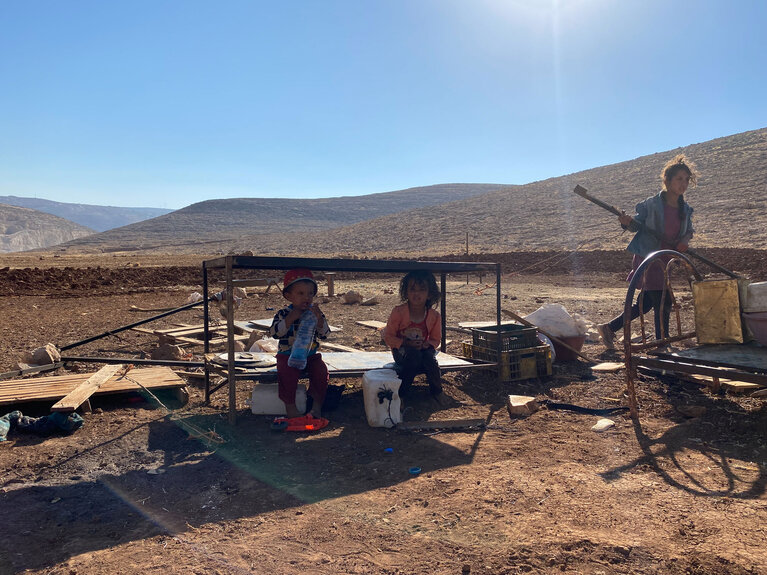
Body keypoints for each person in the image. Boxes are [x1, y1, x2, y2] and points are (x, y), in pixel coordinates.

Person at [597, 154, 698, 349]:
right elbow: (636, 226)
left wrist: (684, 241)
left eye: (686, 179)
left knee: (647, 303)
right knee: (663, 301)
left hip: (666, 260)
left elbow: (689, 231)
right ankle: (662, 343)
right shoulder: (650, 205)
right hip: (648, 259)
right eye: (679, 179)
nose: (683, 183)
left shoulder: (685, 209)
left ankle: (609, 328)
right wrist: (627, 223)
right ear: (667, 180)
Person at [269, 269, 330, 419]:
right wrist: (290, 319)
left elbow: (325, 335)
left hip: (310, 355)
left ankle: (316, 405)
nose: (306, 298)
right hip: (287, 354)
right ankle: (291, 407)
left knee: (321, 372)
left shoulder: (315, 313)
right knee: (287, 374)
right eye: (301, 293)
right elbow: (275, 333)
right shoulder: (283, 314)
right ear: (289, 296)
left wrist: (319, 320)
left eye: (310, 293)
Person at [383, 270, 446, 405]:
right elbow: (388, 336)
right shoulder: (398, 312)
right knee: (413, 357)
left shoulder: (434, 316)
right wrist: (405, 343)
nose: (416, 294)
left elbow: (435, 339)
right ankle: (402, 394)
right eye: (412, 289)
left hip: (423, 350)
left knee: (430, 359)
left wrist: (427, 345)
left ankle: (437, 392)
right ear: (406, 292)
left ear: (429, 294)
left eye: (422, 290)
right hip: (402, 351)